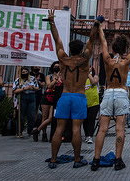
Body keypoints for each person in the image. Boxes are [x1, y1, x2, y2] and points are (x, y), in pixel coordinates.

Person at [47, 9, 100, 169]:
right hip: (79, 97)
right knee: (77, 128)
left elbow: (57, 39)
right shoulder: (85, 60)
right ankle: (77, 160)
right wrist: (96, 25)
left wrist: (51, 22)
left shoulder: (63, 59)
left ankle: (54, 160)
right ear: (81, 49)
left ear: (70, 49)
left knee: (59, 129)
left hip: (64, 96)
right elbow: (91, 40)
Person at [91, 25, 130, 171]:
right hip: (121, 93)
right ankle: (118, 160)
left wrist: (100, 28)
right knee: (120, 129)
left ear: (113, 48)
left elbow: (102, 41)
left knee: (102, 129)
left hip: (109, 92)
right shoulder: (126, 61)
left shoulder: (107, 60)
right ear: (124, 49)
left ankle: (96, 160)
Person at [32, 61, 63, 142]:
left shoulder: (62, 76)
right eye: (55, 66)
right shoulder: (49, 76)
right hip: (47, 97)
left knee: (50, 117)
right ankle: (44, 134)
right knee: (44, 117)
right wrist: (56, 79)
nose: (57, 67)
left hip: (56, 98)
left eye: (58, 66)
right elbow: (49, 85)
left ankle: (37, 130)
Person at [13, 67, 39, 137]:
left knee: (31, 116)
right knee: (20, 116)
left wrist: (33, 88)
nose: (25, 73)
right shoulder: (18, 80)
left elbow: (37, 88)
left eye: (26, 72)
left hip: (31, 96)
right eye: (23, 72)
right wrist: (24, 88)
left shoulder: (32, 79)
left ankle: (30, 130)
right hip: (22, 97)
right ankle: (19, 131)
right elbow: (14, 91)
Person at [83, 66, 99, 144]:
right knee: (85, 120)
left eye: (89, 67)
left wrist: (89, 74)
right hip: (84, 102)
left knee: (91, 119)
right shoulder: (82, 79)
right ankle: (86, 134)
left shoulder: (95, 77)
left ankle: (90, 136)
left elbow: (93, 82)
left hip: (94, 102)